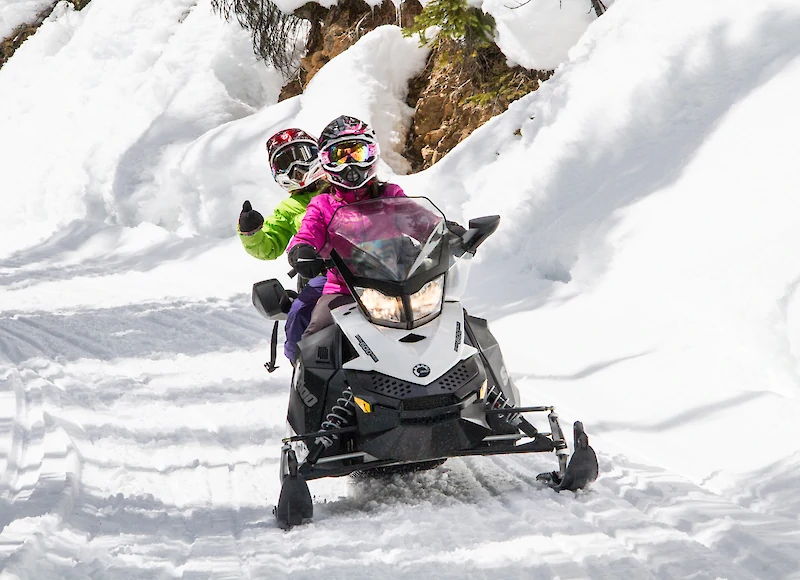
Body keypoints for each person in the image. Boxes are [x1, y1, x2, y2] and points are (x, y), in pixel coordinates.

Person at [287, 115, 408, 339]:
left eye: (358, 154)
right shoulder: (322, 204)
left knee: (448, 315)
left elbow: (417, 219)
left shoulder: (391, 195)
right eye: (340, 157)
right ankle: (303, 370)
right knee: (316, 333)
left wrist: (448, 232)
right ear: (325, 161)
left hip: (399, 285)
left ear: (371, 154)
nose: (351, 165)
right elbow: (308, 231)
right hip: (343, 290)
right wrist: (301, 249)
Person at [237, 128, 329, 364]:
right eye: (285, 162)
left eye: (302, 155)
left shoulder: (341, 188)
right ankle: (302, 367)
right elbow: (269, 247)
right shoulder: (288, 209)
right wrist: (252, 231)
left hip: (367, 266)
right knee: (300, 311)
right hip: (323, 273)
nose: (296, 167)